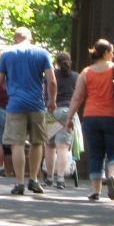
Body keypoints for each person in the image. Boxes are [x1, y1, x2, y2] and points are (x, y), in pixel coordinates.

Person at [65, 39, 114, 200]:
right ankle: (112, 176)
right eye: (111, 51)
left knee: (96, 153)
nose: (113, 55)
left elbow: (77, 97)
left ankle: (96, 191)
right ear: (105, 53)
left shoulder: (86, 72)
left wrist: (69, 117)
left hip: (91, 118)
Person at [0, 27, 57, 196]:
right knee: (38, 142)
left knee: (17, 144)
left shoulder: (7, 53)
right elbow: (52, 81)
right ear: (31, 38)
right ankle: (34, 180)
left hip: (15, 105)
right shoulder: (43, 53)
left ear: (15, 39)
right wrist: (52, 100)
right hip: (37, 105)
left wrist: (9, 85)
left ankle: (19, 182)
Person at [45, 51, 79, 189]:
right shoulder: (76, 76)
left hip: (51, 112)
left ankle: (49, 177)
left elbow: (44, 91)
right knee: (63, 146)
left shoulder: (50, 75)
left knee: (50, 146)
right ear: (70, 63)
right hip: (67, 112)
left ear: (56, 63)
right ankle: (60, 179)